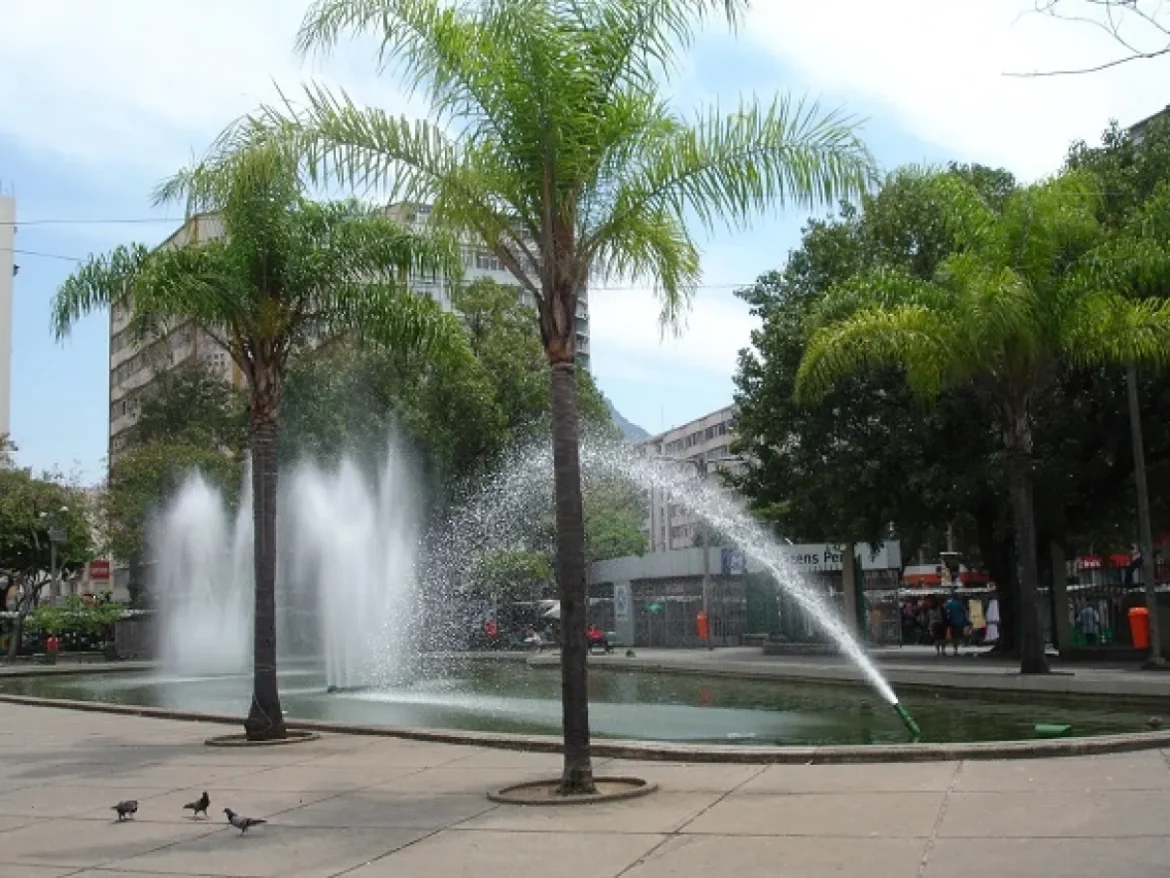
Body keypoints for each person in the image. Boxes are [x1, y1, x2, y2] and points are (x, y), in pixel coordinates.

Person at [943, 590, 968, 656]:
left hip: (951, 622)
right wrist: (966, 621)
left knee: (951, 636)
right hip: (959, 622)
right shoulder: (959, 604)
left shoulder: (949, 604)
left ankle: (944, 649)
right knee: (957, 637)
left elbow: (944, 611)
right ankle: (955, 650)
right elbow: (964, 612)